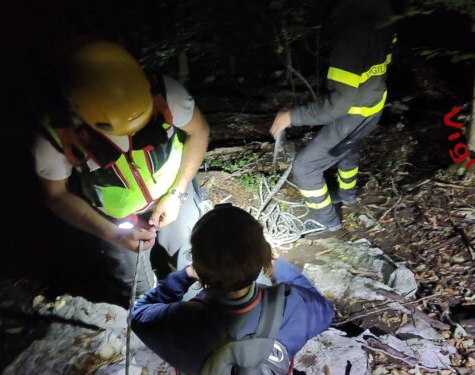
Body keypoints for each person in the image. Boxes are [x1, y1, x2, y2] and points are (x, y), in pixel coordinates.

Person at [33, 40, 209, 302]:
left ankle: (195, 297)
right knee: (137, 284)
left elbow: (199, 130)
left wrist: (177, 192)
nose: (131, 136)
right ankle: (153, 313)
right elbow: (56, 196)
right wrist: (112, 234)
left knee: (195, 251)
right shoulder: (57, 135)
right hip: (116, 219)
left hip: (174, 193)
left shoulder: (164, 93)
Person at [131, 204, 334, 373]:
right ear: (262, 256)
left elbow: (137, 314)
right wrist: (275, 263)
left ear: (200, 267)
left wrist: (185, 276)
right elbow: (326, 310)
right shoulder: (292, 305)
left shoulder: (181, 319)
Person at [270, 0, 395, 231]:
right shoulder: (383, 16)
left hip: (352, 114)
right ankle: (347, 195)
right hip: (374, 106)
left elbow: (339, 104)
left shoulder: (351, 33)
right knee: (349, 146)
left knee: (305, 167)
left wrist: (292, 116)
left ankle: (326, 221)